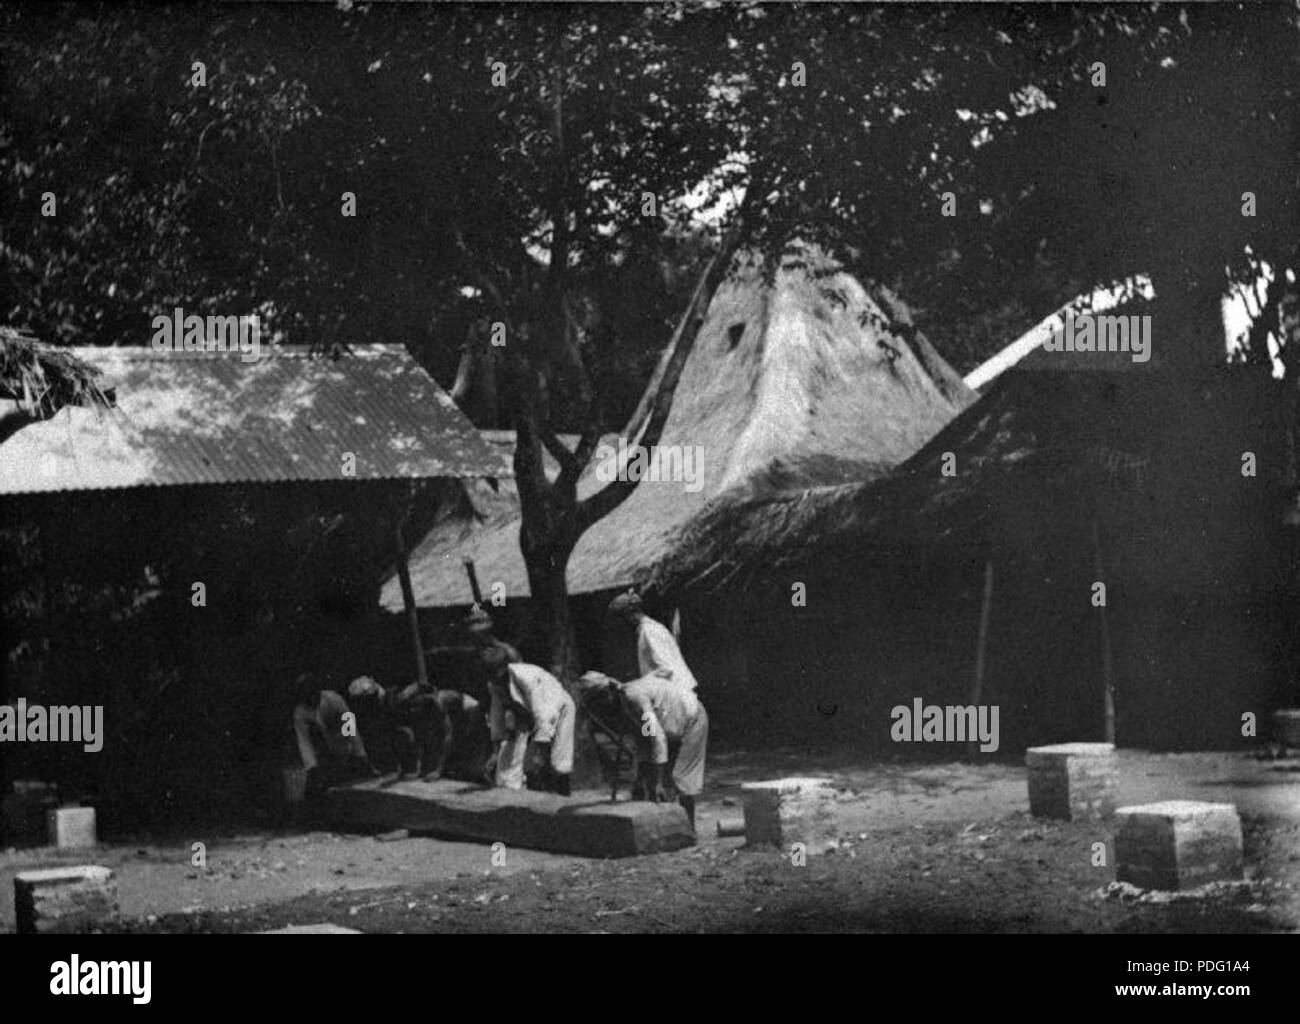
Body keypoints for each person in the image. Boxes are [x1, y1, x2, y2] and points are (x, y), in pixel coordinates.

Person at [577, 669, 708, 828]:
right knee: (650, 781)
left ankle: (689, 830)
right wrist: (641, 777)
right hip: (671, 722)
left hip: (692, 718)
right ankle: (665, 827)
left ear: (606, 694)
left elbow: (656, 737)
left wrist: (657, 782)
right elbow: (644, 738)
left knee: (682, 777)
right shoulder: (620, 703)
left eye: (596, 702)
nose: (597, 708)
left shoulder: (635, 698)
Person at [480, 646, 574, 796]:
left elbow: (542, 712)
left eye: (495, 672)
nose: (493, 677)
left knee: (558, 762)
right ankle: (529, 803)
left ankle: (564, 799)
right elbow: (497, 716)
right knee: (514, 769)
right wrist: (495, 751)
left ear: (504, 667)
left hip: (557, 707)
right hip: (526, 715)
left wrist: (540, 749)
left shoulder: (527, 676)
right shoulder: (494, 684)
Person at [291, 674, 376, 796]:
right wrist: (312, 768)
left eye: (311, 690)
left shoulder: (333, 699)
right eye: (304, 692)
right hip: (325, 750)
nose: (308, 695)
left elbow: (350, 726)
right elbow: (304, 742)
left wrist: (360, 753)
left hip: (346, 741)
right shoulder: (300, 712)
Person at [607, 591, 698, 692]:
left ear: (630, 613)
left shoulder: (649, 631)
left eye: (621, 619)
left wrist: (634, 685)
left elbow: (666, 670)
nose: (621, 626)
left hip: (678, 695)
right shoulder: (649, 629)